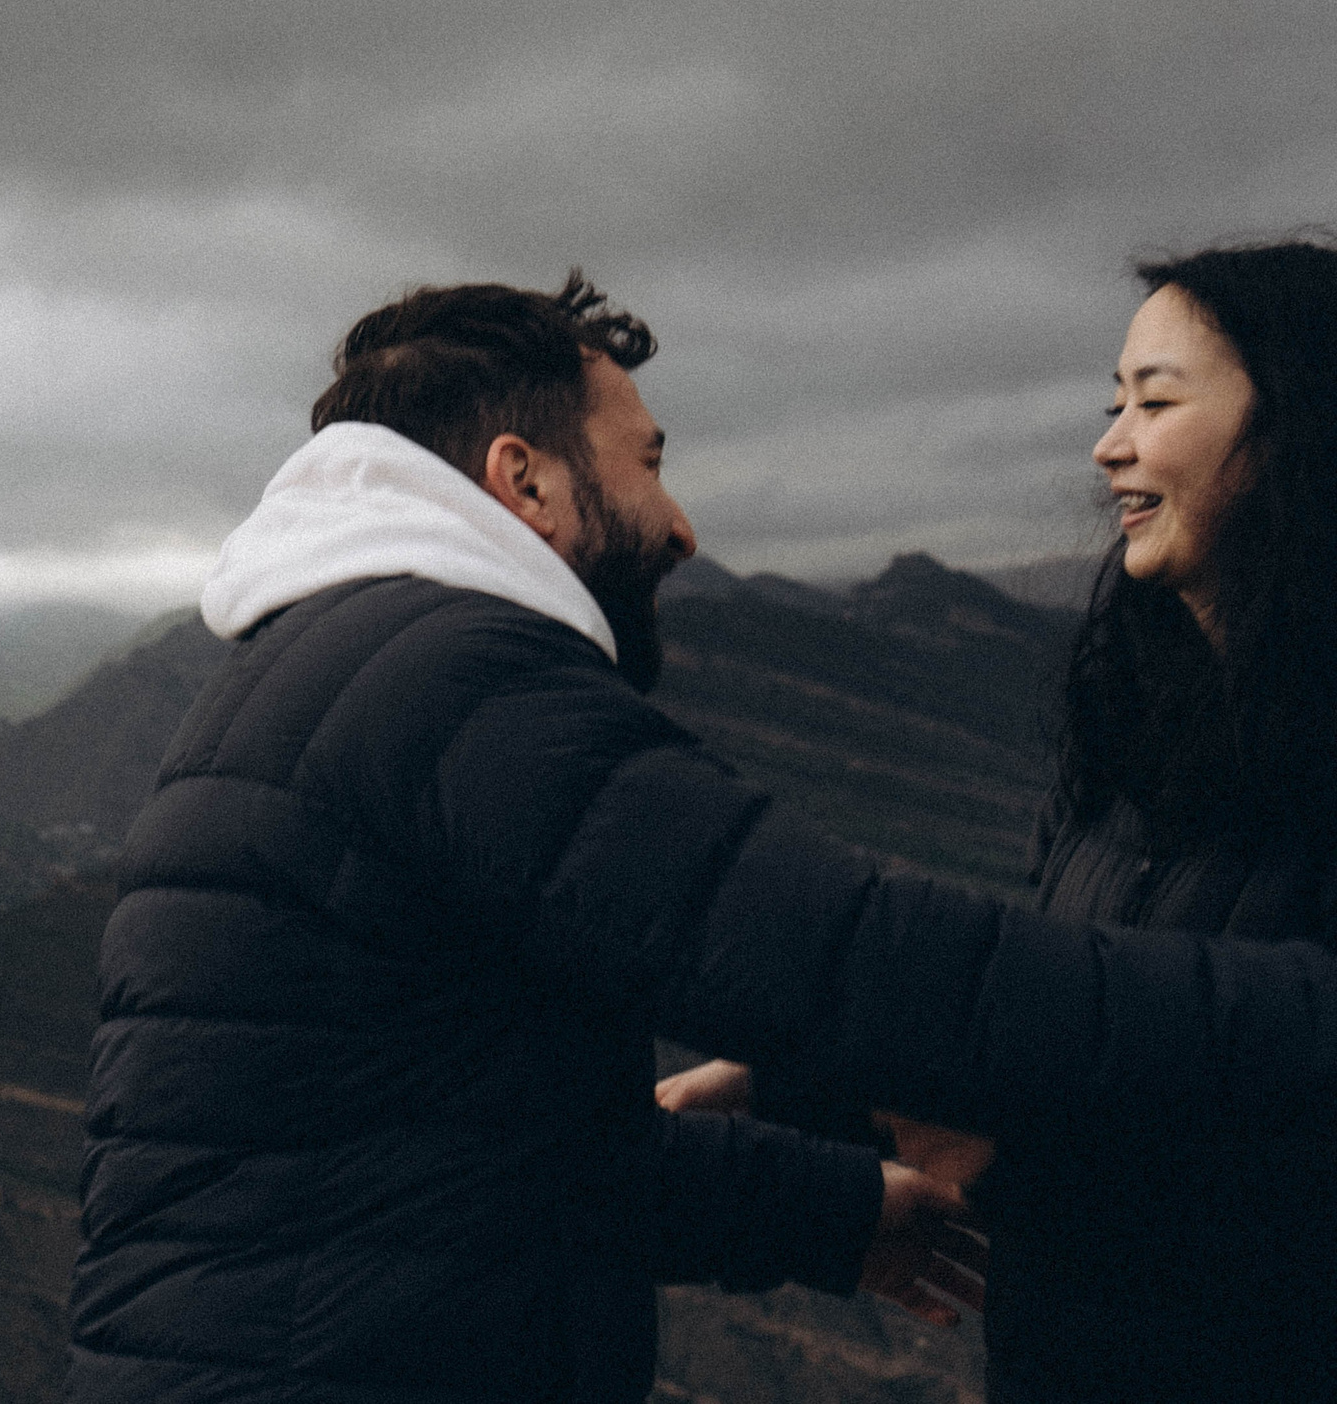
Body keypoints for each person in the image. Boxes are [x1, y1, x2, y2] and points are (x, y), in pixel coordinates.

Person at [70, 271, 1337, 1404]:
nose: (681, 528)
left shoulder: (331, 659)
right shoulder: (460, 687)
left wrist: (836, 1206)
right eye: (648, 463)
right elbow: (853, 960)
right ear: (526, 480)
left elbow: (498, 1167)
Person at [663, 238, 1337, 1401]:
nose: (1108, 443)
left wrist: (995, 1141)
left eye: (1154, 401)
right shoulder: (1137, 749)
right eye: (1111, 401)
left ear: (1293, 432)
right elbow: (1100, 1053)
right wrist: (796, 1087)